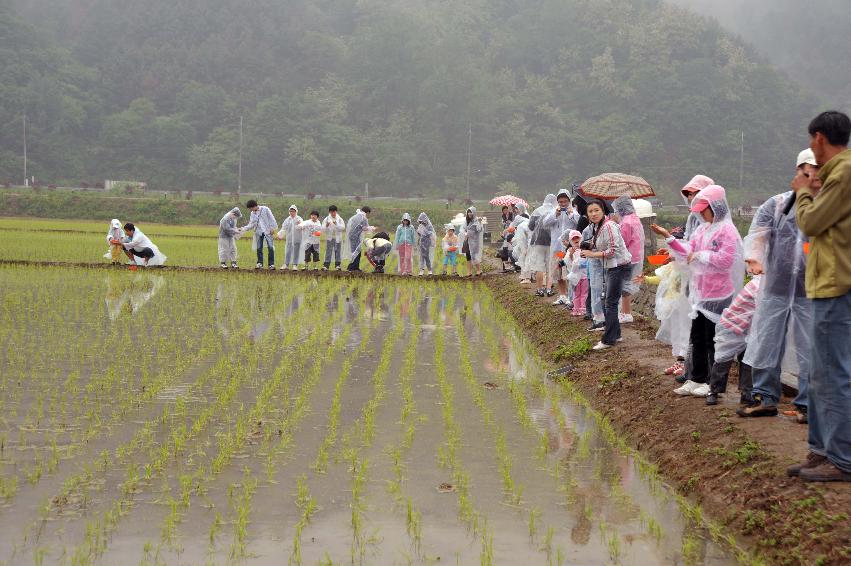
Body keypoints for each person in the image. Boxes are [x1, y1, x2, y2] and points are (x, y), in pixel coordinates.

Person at [788, 110, 851, 483]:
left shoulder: (843, 173)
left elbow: (811, 224)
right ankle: (820, 449)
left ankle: (841, 458)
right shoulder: (834, 175)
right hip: (826, 282)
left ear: (819, 139)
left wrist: (801, 193)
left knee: (833, 375)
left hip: (836, 284)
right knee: (819, 374)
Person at [738, 149, 817, 420]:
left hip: (812, 288)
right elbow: (758, 233)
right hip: (777, 285)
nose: (812, 175)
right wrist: (754, 260)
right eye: (806, 170)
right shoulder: (777, 204)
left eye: (817, 170)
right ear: (797, 171)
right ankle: (765, 396)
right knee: (767, 339)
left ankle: (807, 403)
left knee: (811, 346)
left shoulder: (828, 206)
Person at [653, 185, 744, 397]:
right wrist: (670, 239)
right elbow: (688, 251)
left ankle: (713, 383)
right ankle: (697, 378)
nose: (702, 213)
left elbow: (727, 260)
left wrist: (702, 256)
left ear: (717, 207)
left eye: (705, 208)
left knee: (713, 339)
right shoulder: (702, 229)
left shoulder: (727, 231)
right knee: (697, 337)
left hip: (719, 294)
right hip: (701, 293)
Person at [580, 199, 632, 350]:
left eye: (596, 210)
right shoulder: (598, 227)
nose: (594, 214)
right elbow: (602, 245)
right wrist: (590, 246)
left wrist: (591, 254)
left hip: (619, 266)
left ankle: (608, 340)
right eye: (590, 211)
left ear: (603, 211)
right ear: (587, 215)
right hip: (613, 267)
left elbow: (612, 251)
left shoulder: (609, 226)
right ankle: (616, 334)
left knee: (609, 303)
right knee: (609, 302)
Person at [705, 276, 760, 405]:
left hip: (747, 327)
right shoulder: (759, 284)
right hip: (732, 326)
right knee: (723, 359)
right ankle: (713, 391)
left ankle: (747, 392)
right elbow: (764, 306)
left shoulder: (763, 282)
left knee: (748, 358)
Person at [612, 196, 645, 323]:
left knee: (624, 285)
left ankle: (626, 313)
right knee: (628, 284)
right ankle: (625, 312)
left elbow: (623, 242)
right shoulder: (635, 219)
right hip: (636, 256)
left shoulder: (625, 222)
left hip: (628, 258)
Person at [545, 190, 579, 305]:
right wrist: (555, 215)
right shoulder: (553, 211)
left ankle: (572, 297)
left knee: (571, 271)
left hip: (570, 249)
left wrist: (572, 214)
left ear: (569, 201)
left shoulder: (574, 211)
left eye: (565, 201)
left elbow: (580, 224)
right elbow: (545, 223)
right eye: (560, 202)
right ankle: (562, 295)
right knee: (558, 271)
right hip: (557, 249)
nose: (563, 204)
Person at [528, 194, 557, 294]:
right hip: (551, 242)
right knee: (550, 266)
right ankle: (549, 289)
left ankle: (539, 289)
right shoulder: (555, 211)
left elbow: (531, 227)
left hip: (538, 242)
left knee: (539, 266)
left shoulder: (537, 211)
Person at [244, 199, 278, 270]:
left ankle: (271, 264)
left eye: (251, 208)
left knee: (270, 247)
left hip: (268, 231)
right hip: (258, 232)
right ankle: (260, 263)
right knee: (259, 248)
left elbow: (272, 219)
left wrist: (272, 228)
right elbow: (251, 224)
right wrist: (244, 228)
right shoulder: (252, 213)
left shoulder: (265, 209)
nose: (251, 210)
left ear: (255, 206)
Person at [563, 230, 588, 316]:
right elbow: (568, 262)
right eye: (574, 240)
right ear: (571, 241)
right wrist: (570, 254)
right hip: (576, 278)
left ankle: (583, 308)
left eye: (578, 239)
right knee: (576, 293)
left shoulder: (585, 249)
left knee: (584, 293)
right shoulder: (570, 251)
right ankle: (576, 308)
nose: (576, 241)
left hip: (585, 276)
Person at [345, 207, 372, 272]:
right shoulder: (363, 218)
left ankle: (353, 267)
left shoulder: (355, 217)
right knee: (357, 252)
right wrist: (372, 228)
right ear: (367, 212)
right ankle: (353, 267)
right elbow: (365, 228)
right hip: (356, 237)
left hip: (351, 236)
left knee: (354, 252)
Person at [276, 205, 303, 270]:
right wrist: (280, 235)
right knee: (288, 251)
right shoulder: (287, 220)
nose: (292, 212)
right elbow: (283, 228)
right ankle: (286, 264)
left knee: (296, 252)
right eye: (290, 211)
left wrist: (300, 224)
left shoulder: (299, 218)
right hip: (289, 239)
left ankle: (295, 265)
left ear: (296, 211)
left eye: (293, 211)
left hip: (297, 239)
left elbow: (302, 226)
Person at [461, 206, 484, 276]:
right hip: (467, 241)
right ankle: (469, 271)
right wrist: (465, 233)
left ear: (474, 213)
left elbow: (479, 230)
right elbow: (462, 228)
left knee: (473, 256)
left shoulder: (476, 221)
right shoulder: (466, 221)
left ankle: (479, 270)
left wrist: (480, 222)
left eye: (471, 212)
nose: (469, 213)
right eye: (468, 212)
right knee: (468, 256)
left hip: (474, 241)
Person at [322, 205, 346, 270]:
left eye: (334, 212)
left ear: (336, 211)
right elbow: (323, 229)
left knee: (338, 251)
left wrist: (336, 224)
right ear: (329, 212)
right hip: (329, 238)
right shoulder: (326, 219)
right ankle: (326, 265)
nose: (333, 213)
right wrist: (326, 226)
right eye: (332, 212)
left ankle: (337, 265)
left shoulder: (340, 219)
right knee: (328, 251)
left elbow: (343, 228)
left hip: (338, 238)